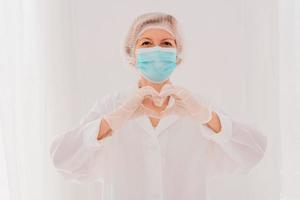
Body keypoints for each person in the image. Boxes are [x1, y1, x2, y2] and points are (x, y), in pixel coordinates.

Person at [49, 12, 268, 200]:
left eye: (166, 44)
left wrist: (206, 117)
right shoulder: (113, 105)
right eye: (145, 43)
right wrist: (112, 121)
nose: (157, 50)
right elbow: (62, 159)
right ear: (132, 53)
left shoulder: (197, 105)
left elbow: (253, 152)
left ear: (178, 54)